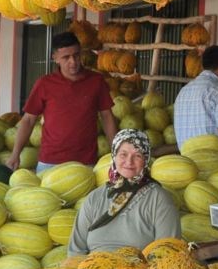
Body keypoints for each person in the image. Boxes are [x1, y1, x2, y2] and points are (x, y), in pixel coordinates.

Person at [9, 32, 117, 172]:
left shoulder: (96, 81)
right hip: (49, 163)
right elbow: (28, 120)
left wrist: (117, 152)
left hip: (85, 163)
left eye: (76, 55)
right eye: (66, 57)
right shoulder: (44, 84)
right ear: (55, 58)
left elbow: (107, 117)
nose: (73, 61)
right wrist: (15, 154)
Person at [68, 129, 180, 256]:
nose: (129, 162)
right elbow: (75, 251)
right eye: (123, 154)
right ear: (114, 156)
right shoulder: (95, 197)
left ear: (146, 159)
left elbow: (167, 255)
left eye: (137, 155)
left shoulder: (159, 199)